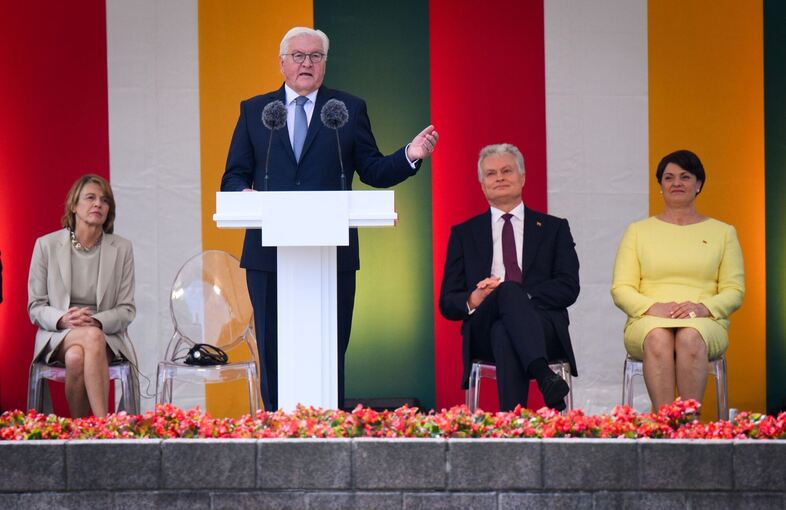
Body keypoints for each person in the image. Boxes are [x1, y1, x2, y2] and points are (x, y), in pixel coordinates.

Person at [221, 27, 438, 411]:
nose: (307, 63)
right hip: (268, 255)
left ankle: (330, 433)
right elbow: (234, 175)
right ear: (282, 63)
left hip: (331, 251)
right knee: (272, 351)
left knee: (329, 348)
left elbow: (372, 169)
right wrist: (245, 195)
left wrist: (410, 154)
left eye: (315, 56)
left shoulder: (347, 110)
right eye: (298, 56)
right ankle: (275, 429)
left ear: (324, 64)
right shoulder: (255, 111)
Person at [439, 143, 579, 411]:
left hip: (542, 325)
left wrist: (521, 295)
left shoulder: (554, 228)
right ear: (482, 184)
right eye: (491, 174)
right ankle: (544, 377)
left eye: (507, 171)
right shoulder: (463, 234)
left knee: (504, 328)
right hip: (482, 324)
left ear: (522, 177)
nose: (500, 177)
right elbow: (447, 302)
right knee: (503, 303)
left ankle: (510, 425)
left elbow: (569, 287)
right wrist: (476, 297)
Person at [611, 149, 744, 410]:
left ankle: (688, 428)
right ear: (660, 186)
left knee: (689, 337)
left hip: (705, 320)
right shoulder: (638, 231)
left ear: (699, 184)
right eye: (669, 178)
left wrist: (702, 308)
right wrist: (653, 308)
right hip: (647, 318)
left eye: (685, 177)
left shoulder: (723, 232)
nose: (676, 183)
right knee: (658, 336)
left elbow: (734, 290)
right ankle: (666, 427)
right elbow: (621, 288)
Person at [27, 174, 138, 417]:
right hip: (58, 334)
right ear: (74, 206)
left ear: (109, 210)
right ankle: (103, 427)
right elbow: (35, 306)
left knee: (78, 356)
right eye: (90, 198)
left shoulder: (122, 248)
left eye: (104, 200)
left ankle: (80, 433)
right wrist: (63, 318)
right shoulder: (46, 245)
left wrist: (97, 321)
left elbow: (126, 309)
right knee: (90, 339)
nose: (98, 204)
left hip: (106, 334)